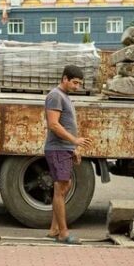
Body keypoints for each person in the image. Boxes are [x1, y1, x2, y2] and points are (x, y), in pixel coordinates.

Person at [44, 64, 91, 245]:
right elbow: (53, 124)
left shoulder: (65, 96)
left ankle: (54, 229)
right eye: (75, 82)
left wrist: (73, 149)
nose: (77, 86)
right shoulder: (55, 96)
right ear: (65, 79)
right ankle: (63, 233)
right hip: (57, 148)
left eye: (79, 83)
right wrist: (74, 141)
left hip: (64, 148)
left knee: (65, 186)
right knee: (61, 187)